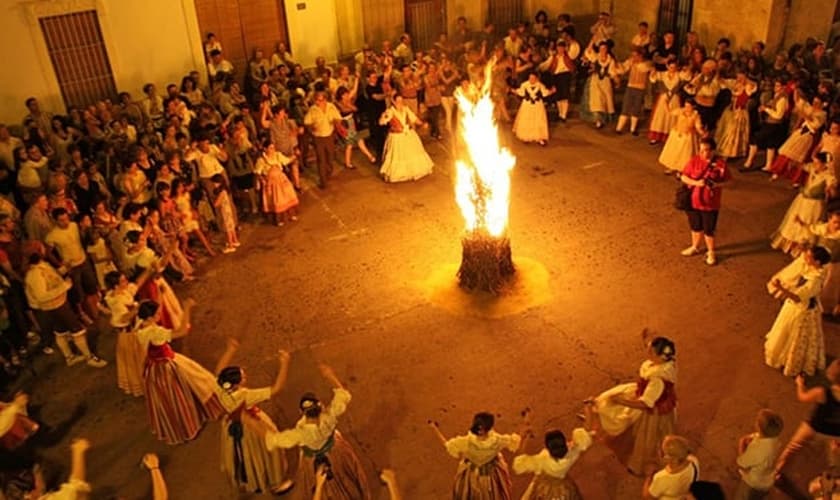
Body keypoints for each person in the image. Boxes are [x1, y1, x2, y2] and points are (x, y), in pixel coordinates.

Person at [265, 364, 371, 499]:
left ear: (301, 412)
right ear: (320, 405)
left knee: (315, 483)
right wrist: (329, 375)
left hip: (312, 461)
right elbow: (342, 395)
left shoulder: (301, 433)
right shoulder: (329, 417)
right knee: (346, 477)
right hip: (337, 452)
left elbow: (275, 439)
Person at [584, 330, 677, 476]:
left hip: (652, 409)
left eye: (651, 352)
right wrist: (646, 339)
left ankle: (644, 464)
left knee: (647, 438)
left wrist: (622, 401)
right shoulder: (664, 362)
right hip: (645, 394)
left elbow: (646, 404)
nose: (648, 354)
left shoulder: (657, 380)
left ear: (660, 356)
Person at [135, 299, 225, 445]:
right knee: (192, 386)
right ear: (150, 317)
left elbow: (142, 353)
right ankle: (191, 422)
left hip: (154, 368)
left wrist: (142, 371)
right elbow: (182, 331)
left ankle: (180, 427)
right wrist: (187, 308)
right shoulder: (155, 332)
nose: (159, 315)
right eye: (157, 314)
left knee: (170, 400)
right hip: (167, 366)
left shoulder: (141, 328)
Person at [214, 339, 294, 495]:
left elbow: (219, 369)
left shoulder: (221, 387)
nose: (246, 377)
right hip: (251, 427)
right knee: (268, 453)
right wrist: (285, 363)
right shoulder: (245, 395)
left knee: (245, 456)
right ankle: (275, 484)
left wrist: (230, 350)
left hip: (231, 426)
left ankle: (251, 481)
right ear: (236, 384)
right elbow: (276, 389)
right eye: (243, 377)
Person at [24, 250, 106, 368]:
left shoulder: (42, 266)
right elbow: (41, 296)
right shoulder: (35, 275)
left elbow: (53, 276)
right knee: (76, 330)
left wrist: (65, 269)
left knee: (61, 331)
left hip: (58, 304)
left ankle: (70, 357)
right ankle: (89, 357)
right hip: (55, 306)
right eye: (41, 249)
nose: (44, 250)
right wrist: (64, 286)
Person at [764, 246, 831, 377]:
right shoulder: (813, 269)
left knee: (793, 334)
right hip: (796, 306)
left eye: (809, 256)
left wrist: (780, 289)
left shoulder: (815, 281)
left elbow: (798, 297)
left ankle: (791, 361)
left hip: (801, 310)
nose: (805, 257)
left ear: (817, 262)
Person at [430, 412, 522, 499]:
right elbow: (514, 442)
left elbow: (448, 445)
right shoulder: (497, 440)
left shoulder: (467, 441)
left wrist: (434, 428)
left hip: (472, 477)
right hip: (491, 478)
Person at [776, 359, 840, 476]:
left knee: (793, 447)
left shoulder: (822, 392)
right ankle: (835, 474)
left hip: (813, 428)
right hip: (834, 434)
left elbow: (802, 397)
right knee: (834, 455)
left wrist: (799, 384)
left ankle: (778, 471)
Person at [103, 267, 156, 397]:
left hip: (133, 330)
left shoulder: (122, 292)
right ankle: (145, 384)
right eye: (123, 281)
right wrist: (138, 307)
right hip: (128, 334)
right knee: (137, 360)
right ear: (115, 286)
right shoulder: (117, 301)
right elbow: (124, 317)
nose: (126, 282)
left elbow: (136, 284)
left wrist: (149, 270)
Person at [770, 152, 836, 255]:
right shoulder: (812, 169)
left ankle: (804, 247)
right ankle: (791, 245)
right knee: (795, 222)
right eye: (814, 162)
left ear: (824, 164)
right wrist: (793, 163)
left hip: (814, 205)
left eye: (817, 163)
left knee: (808, 223)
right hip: (802, 201)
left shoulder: (828, 176)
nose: (815, 165)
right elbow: (803, 166)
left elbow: (832, 188)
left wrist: (830, 189)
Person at [679, 138, 730, 266]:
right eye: (701, 150)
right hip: (692, 201)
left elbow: (730, 182)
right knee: (695, 226)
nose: (703, 153)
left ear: (713, 150)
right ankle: (695, 246)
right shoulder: (694, 161)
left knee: (709, 229)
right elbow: (684, 176)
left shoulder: (720, 165)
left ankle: (711, 252)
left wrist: (716, 184)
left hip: (710, 203)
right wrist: (696, 183)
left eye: (706, 150)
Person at [512, 427, 592, 499]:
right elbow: (581, 442)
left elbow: (520, 463)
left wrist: (524, 439)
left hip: (544, 489)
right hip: (564, 489)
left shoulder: (543, 458)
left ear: (547, 447)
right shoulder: (572, 453)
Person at [378, 94, 434, 183]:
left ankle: (412, 171)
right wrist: (383, 117)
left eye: (401, 101)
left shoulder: (406, 109)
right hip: (397, 137)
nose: (400, 103)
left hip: (408, 135)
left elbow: (414, 119)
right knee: (398, 156)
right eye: (398, 101)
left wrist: (422, 124)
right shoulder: (390, 111)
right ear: (394, 101)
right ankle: (398, 174)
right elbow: (381, 122)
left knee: (412, 153)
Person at [733, 409, 784, 500]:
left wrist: (741, 444)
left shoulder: (758, 450)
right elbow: (757, 436)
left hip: (753, 484)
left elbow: (742, 463)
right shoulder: (775, 440)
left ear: (759, 427)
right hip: (767, 481)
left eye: (757, 421)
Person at [742, 79, 789, 171]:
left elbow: (779, 115)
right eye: (775, 86)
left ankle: (749, 162)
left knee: (755, 139)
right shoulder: (776, 96)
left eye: (778, 86)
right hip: (770, 123)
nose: (775, 88)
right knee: (770, 144)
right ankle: (768, 165)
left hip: (774, 125)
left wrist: (766, 109)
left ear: (783, 87)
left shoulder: (783, 99)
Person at [254, 138, 299, 227]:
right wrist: (261, 180)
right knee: (277, 200)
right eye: (270, 148)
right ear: (265, 149)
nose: (272, 150)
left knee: (287, 196)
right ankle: (279, 219)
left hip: (281, 180)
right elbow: (257, 172)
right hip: (271, 183)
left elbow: (287, 161)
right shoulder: (261, 160)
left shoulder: (278, 155)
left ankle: (291, 214)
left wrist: (294, 156)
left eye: (273, 148)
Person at [303, 91, 341, 189]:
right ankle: (323, 181)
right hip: (318, 137)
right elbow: (307, 122)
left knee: (330, 156)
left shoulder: (331, 107)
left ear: (325, 99)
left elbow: (338, 118)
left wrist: (336, 122)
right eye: (317, 100)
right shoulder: (313, 109)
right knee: (321, 159)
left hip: (329, 135)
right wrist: (311, 127)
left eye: (320, 100)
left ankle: (328, 171)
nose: (318, 102)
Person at [642, 435, 699, 499]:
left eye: (663, 451)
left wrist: (648, 477)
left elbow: (648, 497)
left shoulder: (661, 477)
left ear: (669, 458)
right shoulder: (693, 461)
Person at [659, 100, 704, 175]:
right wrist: (665, 104)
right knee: (674, 152)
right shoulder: (680, 111)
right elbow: (670, 112)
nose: (687, 108)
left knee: (684, 155)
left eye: (689, 106)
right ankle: (672, 167)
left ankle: (681, 171)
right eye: (686, 106)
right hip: (676, 134)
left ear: (693, 107)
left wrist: (702, 133)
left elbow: (698, 127)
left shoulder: (695, 115)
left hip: (687, 137)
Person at [614, 48, 652, 136]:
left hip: (640, 88)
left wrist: (633, 63)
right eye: (632, 55)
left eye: (635, 55)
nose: (633, 57)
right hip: (630, 87)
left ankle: (633, 129)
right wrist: (618, 65)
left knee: (636, 107)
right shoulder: (631, 62)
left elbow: (644, 68)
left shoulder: (647, 64)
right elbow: (623, 69)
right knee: (626, 106)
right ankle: (619, 128)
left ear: (640, 56)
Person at [648, 60, 686, 145]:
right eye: (671, 67)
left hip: (674, 98)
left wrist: (685, 69)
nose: (672, 69)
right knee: (660, 116)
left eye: (674, 67)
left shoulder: (679, 75)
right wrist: (653, 72)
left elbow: (687, 77)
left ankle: (670, 136)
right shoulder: (662, 74)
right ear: (667, 66)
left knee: (672, 116)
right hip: (663, 98)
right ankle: (656, 137)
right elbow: (653, 79)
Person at [511, 72, 555, 146]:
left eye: (533, 78)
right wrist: (514, 91)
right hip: (527, 105)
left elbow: (545, 93)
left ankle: (539, 137)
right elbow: (521, 93)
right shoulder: (524, 85)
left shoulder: (540, 85)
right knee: (527, 119)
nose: (531, 80)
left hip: (538, 105)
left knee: (538, 120)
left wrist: (551, 91)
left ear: (536, 78)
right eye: (530, 78)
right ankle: (526, 136)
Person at [211, 173, 239, 253]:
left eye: (215, 183)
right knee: (231, 226)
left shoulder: (221, 192)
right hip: (228, 210)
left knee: (227, 228)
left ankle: (230, 245)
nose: (214, 185)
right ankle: (235, 240)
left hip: (225, 211)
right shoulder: (225, 190)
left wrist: (214, 201)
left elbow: (216, 204)